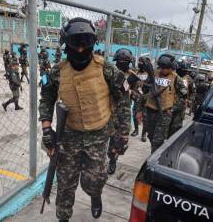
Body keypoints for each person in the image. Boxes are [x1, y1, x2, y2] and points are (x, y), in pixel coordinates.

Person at [39, 17, 130, 222]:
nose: (80, 50)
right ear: (66, 44)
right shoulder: (57, 72)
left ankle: (95, 195)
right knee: (65, 182)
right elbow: (46, 98)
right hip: (68, 135)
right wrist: (47, 128)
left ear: (92, 44)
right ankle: (63, 217)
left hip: (98, 135)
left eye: (85, 44)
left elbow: (123, 100)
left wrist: (123, 133)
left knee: (94, 180)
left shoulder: (106, 69)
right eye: (75, 44)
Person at [138, 55, 186, 153]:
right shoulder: (153, 74)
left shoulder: (176, 78)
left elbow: (184, 96)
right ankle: (154, 151)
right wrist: (140, 109)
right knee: (151, 135)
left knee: (158, 140)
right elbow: (144, 91)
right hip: (150, 110)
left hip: (164, 113)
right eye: (162, 67)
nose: (163, 70)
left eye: (166, 68)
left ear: (171, 67)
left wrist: (173, 109)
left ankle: (153, 158)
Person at [107, 48, 133, 175]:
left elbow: (137, 92)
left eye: (126, 61)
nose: (123, 64)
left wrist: (134, 91)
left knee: (120, 140)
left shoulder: (131, 75)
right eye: (121, 61)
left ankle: (113, 160)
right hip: (108, 111)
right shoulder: (110, 73)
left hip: (124, 114)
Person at [135, 56, 150, 142]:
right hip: (136, 97)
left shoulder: (150, 74)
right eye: (139, 62)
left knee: (145, 117)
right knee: (135, 114)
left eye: (141, 62)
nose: (139, 64)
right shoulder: (136, 72)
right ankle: (136, 130)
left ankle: (143, 134)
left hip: (146, 98)